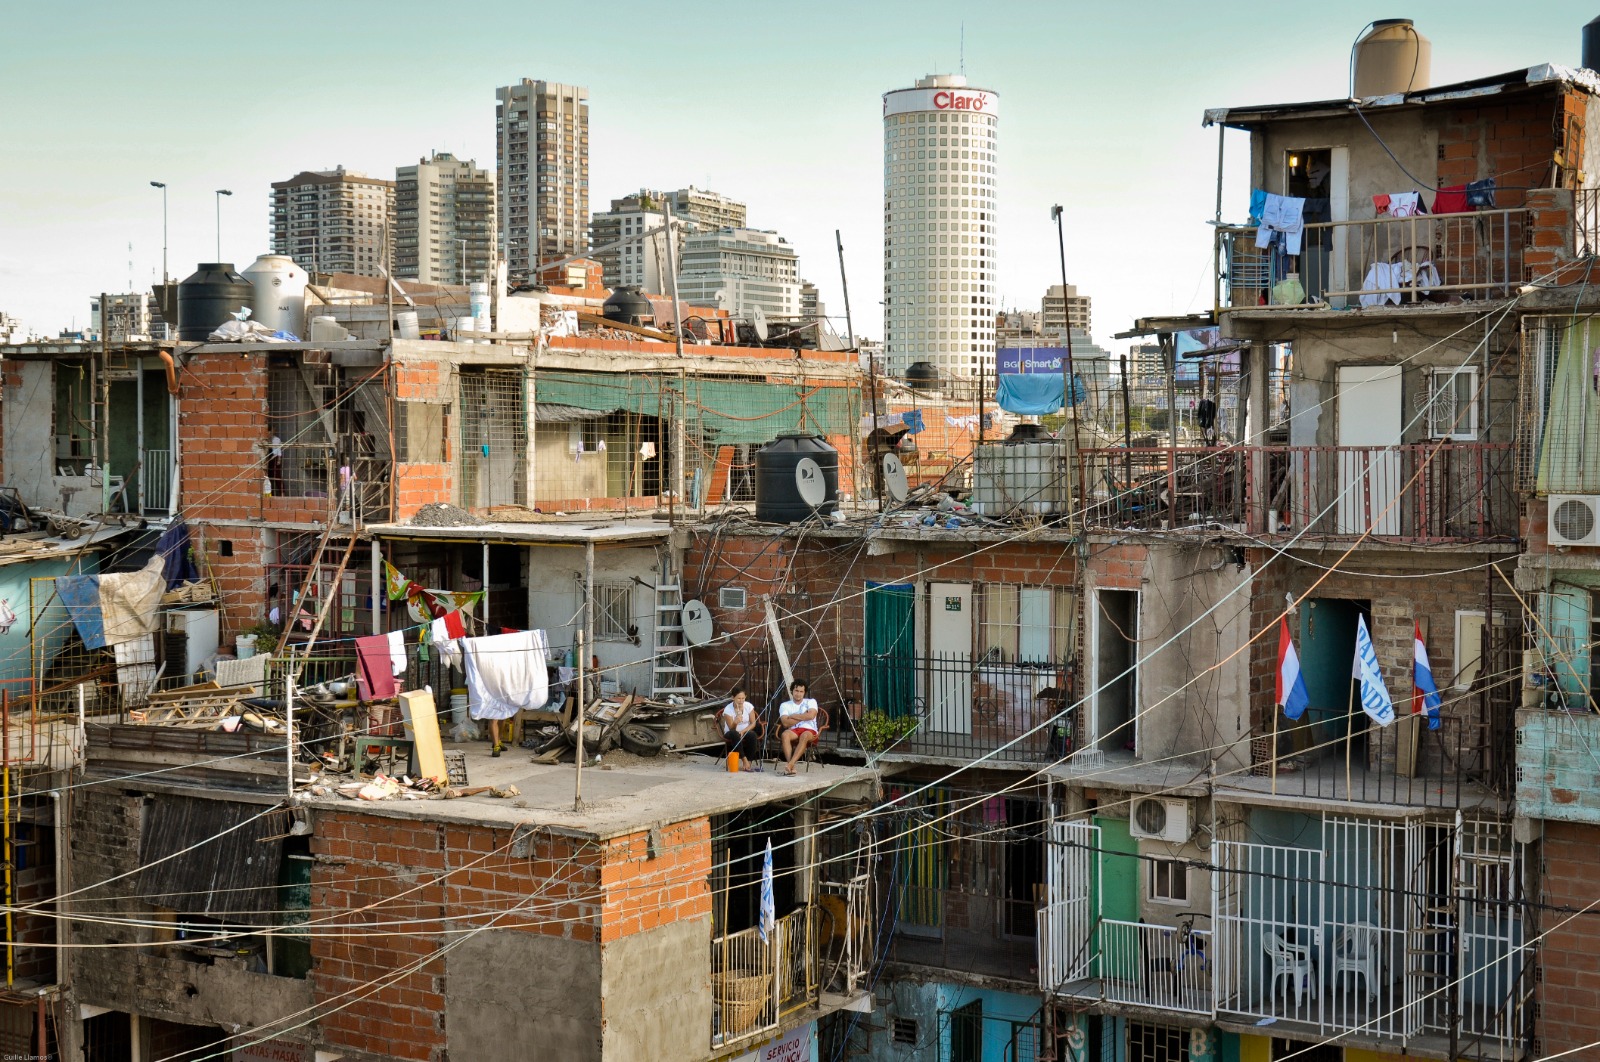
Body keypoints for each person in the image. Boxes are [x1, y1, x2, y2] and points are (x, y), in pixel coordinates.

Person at [778, 680, 820, 776]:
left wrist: (794, 716)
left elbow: (811, 716)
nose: (798, 694)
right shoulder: (785, 705)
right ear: (792, 691)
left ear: (804, 692)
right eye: (796, 691)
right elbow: (785, 723)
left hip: (810, 730)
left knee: (804, 736)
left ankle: (791, 764)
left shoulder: (811, 702)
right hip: (794, 730)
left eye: (801, 691)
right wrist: (803, 715)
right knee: (785, 735)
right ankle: (791, 764)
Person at [720, 687, 761, 771]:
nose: (741, 701)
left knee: (752, 735)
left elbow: (753, 723)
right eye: (738, 698)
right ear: (733, 698)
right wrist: (735, 722)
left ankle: (749, 762)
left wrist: (743, 731)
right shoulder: (728, 709)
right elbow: (731, 728)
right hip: (731, 732)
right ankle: (744, 759)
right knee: (735, 734)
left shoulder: (748, 706)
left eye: (743, 698)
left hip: (745, 730)